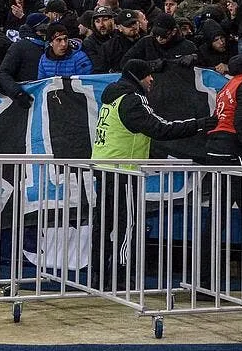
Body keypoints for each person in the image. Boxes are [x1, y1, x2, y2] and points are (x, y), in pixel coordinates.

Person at [90, 58, 216, 288]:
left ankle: (97, 275)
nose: (151, 80)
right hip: (124, 171)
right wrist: (201, 124)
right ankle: (121, 277)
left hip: (104, 167)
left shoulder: (111, 97)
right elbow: (161, 128)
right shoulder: (133, 99)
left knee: (103, 225)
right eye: (148, 75)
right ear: (138, 76)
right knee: (127, 226)